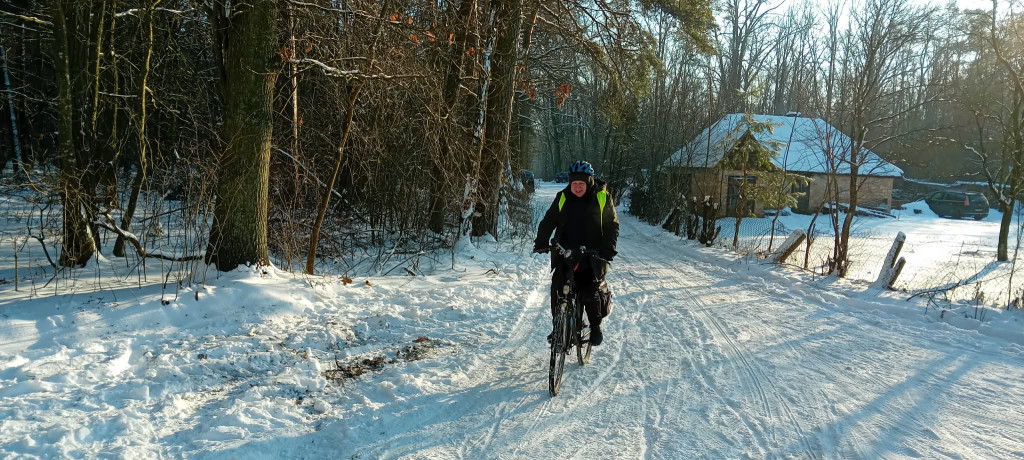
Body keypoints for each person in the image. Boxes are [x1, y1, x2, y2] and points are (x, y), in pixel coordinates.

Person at [533, 160, 619, 346]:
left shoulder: (602, 197)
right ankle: (559, 327)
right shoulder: (563, 197)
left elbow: (612, 226)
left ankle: (595, 327)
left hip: (591, 254)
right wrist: (541, 241)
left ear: (589, 181)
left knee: (588, 288)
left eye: (581, 184)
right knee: (558, 287)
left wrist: (607, 251)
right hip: (565, 251)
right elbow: (549, 220)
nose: (578, 187)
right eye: (574, 184)